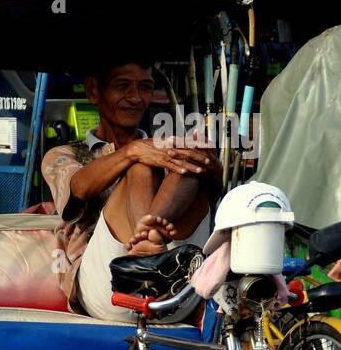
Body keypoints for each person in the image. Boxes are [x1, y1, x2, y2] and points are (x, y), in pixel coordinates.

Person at [41, 60, 221, 321]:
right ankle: (148, 246)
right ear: (94, 91)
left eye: (144, 87)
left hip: (175, 292)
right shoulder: (64, 154)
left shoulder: (164, 148)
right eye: (122, 86)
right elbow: (78, 187)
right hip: (111, 289)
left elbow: (211, 200)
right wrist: (133, 151)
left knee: (190, 158)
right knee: (140, 167)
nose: (135, 98)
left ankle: (152, 244)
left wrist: (206, 164)